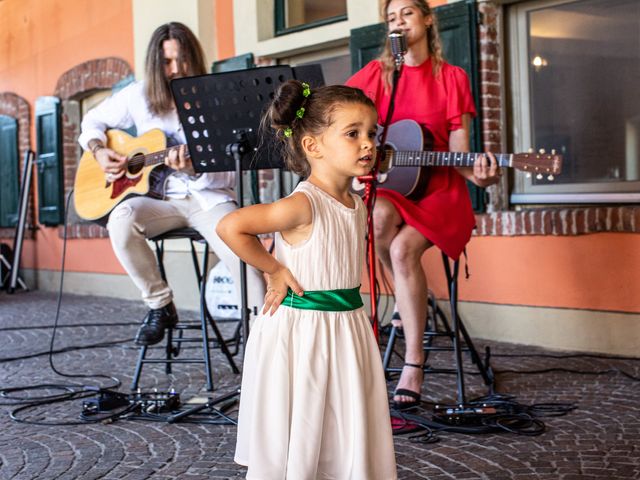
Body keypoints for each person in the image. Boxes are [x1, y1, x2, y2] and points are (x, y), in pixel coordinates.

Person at [217, 80, 397, 479]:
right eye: (352, 134)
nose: (368, 144)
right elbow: (231, 226)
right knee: (307, 421)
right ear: (313, 146)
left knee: (341, 423)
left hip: (346, 327)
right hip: (304, 333)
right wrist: (274, 269)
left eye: (372, 133)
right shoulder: (303, 204)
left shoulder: (354, 202)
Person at [346, 0, 502, 410]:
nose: (398, 22)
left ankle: (414, 362)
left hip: (441, 193)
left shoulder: (452, 77)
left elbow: (460, 153)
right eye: (391, 18)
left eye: (407, 14)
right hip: (395, 188)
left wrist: (482, 174)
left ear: (428, 20)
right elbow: (335, 111)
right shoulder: (379, 75)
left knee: (401, 249)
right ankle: (406, 296)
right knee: (376, 217)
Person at [78, 22, 265, 346]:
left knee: (251, 272)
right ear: (155, 63)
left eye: (182, 59)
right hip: (160, 200)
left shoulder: (215, 100)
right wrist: (98, 150)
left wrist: (196, 169)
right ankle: (160, 305)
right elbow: (91, 121)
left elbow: (230, 175)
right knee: (120, 221)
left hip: (209, 199)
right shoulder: (138, 95)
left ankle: (265, 341)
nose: (176, 69)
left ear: (193, 58)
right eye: (167, 62)